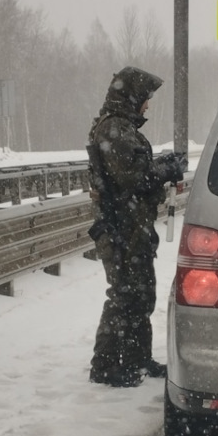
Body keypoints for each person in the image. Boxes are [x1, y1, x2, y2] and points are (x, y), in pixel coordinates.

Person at [87, 67, 186, 387]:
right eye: (145, 99)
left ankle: (135, 358)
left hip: (133, 226)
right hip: (120, 229)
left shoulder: (122, 127)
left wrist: (162, 169)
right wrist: (165, 169)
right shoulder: (114, 129)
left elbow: (137, 175)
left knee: (141, 294)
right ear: (131, 98)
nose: (148, 105)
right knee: (123, 296)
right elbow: (133, 176)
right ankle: (104, 366)